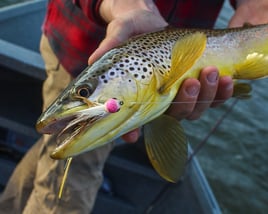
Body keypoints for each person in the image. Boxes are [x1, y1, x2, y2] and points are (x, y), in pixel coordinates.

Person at [0, 0, 267, 213]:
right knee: (68, 180)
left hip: (173, 67)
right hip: (80, 48)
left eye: (85, 93)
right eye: (85, 92)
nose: (85, 96)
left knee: (55, 154)